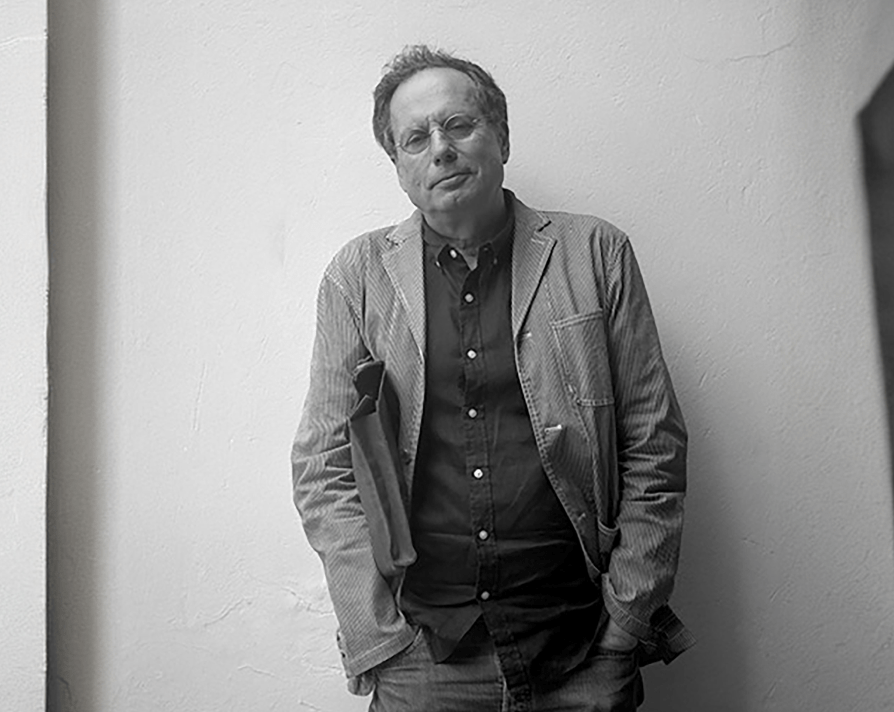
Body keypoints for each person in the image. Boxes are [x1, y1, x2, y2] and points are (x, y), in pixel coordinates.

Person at [292, 45, 692, 712]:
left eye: (459, 124)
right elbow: (323, 467)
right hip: (424, 656)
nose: (440, 149)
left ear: (501, 137)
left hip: (580, 645)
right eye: (416, 138)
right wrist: (379, 639)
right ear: (397, 165)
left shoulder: (596, 254)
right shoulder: (357, 277)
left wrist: (627, 620)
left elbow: (654, 444)